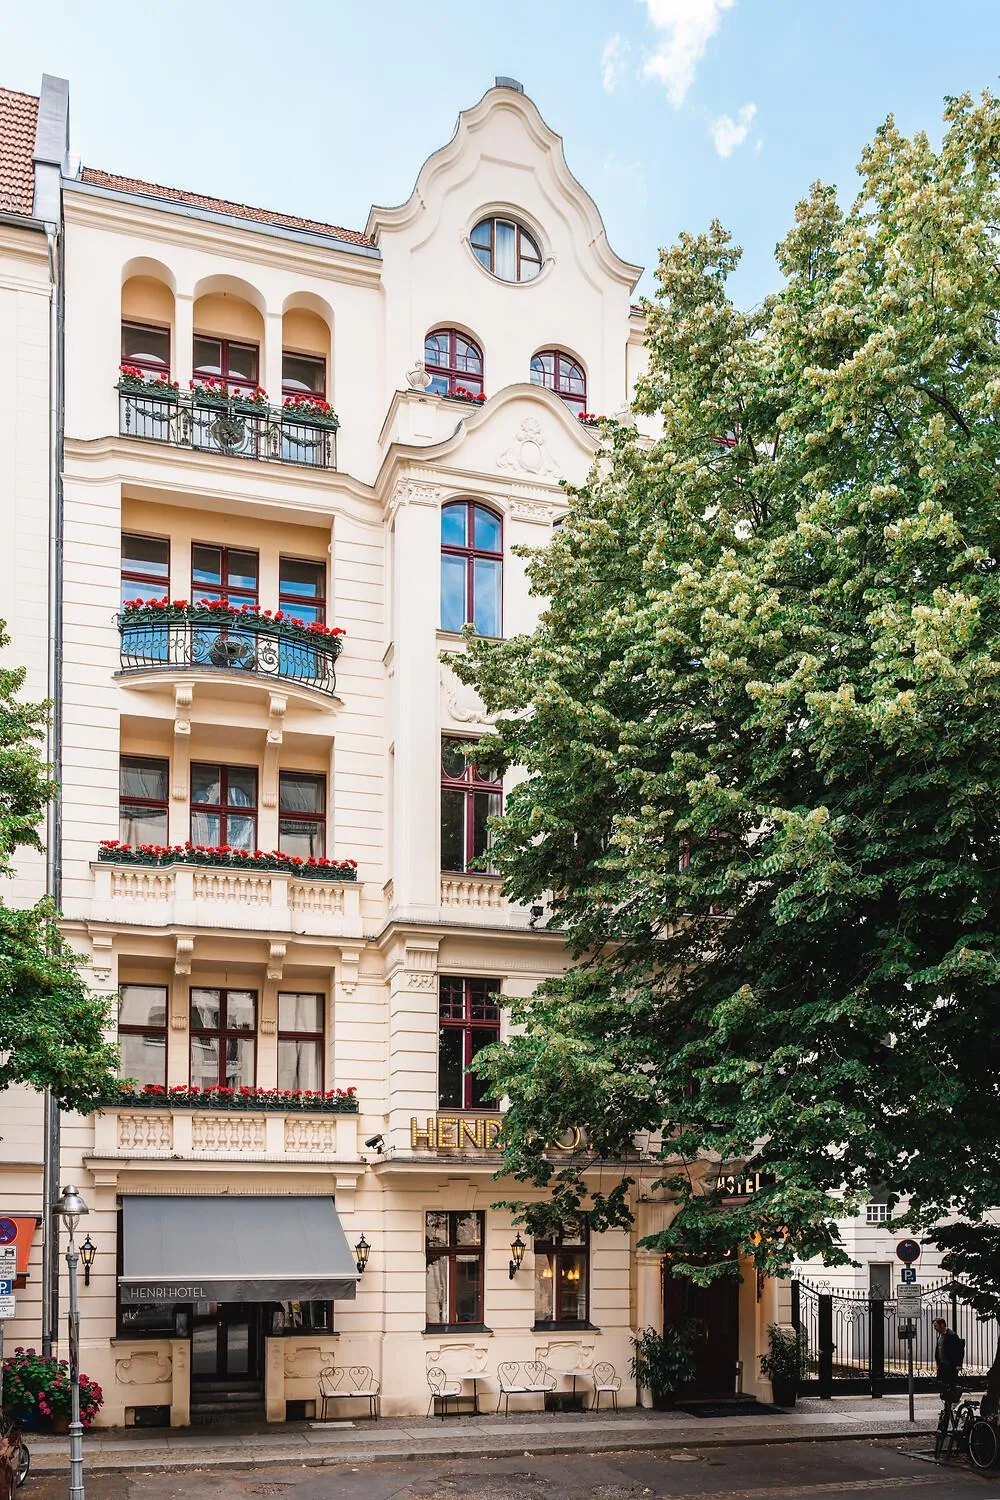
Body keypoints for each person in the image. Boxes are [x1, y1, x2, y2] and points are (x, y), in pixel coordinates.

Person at [933, 1317, 964, 1387]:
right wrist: (938, 1362)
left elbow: (960, 1350)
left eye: (936, 1326)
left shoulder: (952, 1335)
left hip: (951, 1366)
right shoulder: (940, 1336)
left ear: (942, 1325)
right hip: (942, 1365)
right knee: (941, 1384)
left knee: (951, 1385)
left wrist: (959, 1364)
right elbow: (938, 1350)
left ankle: (952, 1397)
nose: (935, 1328)